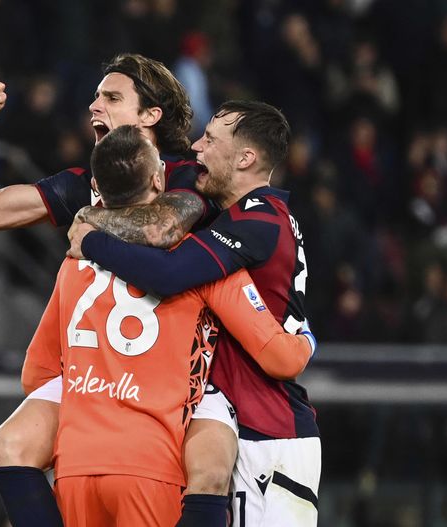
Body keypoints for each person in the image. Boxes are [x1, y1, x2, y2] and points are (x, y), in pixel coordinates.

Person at [0, 54, 241, 526]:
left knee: (209, 472)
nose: (93, 106)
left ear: (151, 116)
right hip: (94, 365)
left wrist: (89, 225)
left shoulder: (189, 174)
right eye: (96, 96)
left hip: (175, 366)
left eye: (111, 97)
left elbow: (163, 228)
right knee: (7, 445)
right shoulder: (85, 184)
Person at [25, 124, 315, 527]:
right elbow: (279, 355)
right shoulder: (200, 257)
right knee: (209, 471)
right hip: (150, 466)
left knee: (4, 447)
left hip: (76, 465)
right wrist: (304, 336)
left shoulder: (73, 265)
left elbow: (36, 374)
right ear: (160, 179)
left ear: (95, 186)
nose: (198, 147)